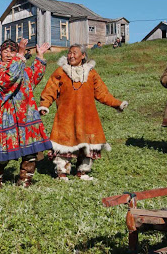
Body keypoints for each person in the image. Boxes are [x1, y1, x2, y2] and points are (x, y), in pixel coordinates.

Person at [39, 44, 128, 181]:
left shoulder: (91, 73)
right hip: (66, 116)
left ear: (83, 55)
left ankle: (83, 171)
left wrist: (117, 103)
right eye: (69, 53)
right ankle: (62, 172)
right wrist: (44, 105)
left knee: (87, 143)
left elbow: (102, 93)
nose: (71, 56)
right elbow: (50, 90)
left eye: (75, 53)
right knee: (64, 143)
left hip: (87, 116)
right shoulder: (61, 72)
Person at [0, 38, 52, 187]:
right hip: (5, 116)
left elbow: (34, 76)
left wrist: (39, 56)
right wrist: (20, 54)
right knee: (3, 152)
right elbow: (9, 80)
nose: (8, 54)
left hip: (26, 115)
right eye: (5, 51)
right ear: (0, 53)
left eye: (12, 51)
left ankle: (25, 180)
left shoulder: (21, 67)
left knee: (30, 152)